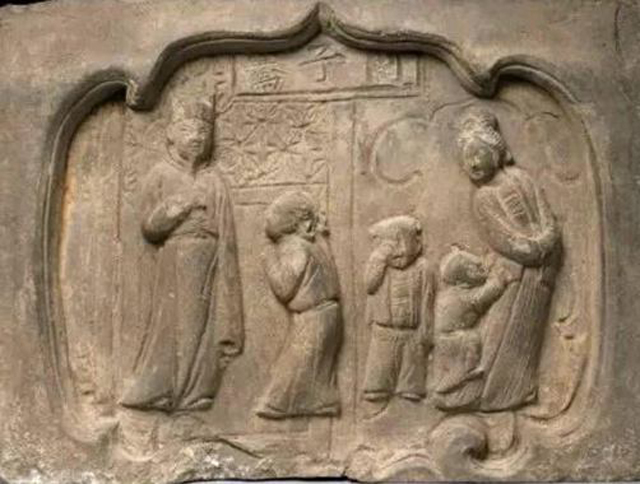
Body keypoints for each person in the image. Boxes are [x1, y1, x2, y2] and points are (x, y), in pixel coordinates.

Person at [119, 97, 244, 413]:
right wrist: (179, 207)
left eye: (203, 130)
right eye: (188, 129)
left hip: (211, 259)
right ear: (171, 134)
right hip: (176, 258)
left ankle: (197, 392)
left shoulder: (214, 179)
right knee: (174, 324)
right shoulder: (160, 175)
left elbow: (227, 231)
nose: (197, 136)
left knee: (206, 327)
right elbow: (149, 227)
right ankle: (163, 390)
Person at [456, 107, 562, 411]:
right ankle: (494, 395)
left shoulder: (521, 179)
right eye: (465, 158)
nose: (472, 163)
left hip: (540, 272)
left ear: (495, 152)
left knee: (529, 333)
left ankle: (522, 390)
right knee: (503, 334)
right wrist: (536, 249)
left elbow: (547, 217)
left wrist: (547, 240)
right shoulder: (483, 198)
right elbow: (504, 240)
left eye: (478, 154)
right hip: (513, 275)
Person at [256, 191, 342, 419]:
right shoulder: (314, 245)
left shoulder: (294, 246)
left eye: (275, 213)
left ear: (294, 222)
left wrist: (269, 261)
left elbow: (284, 289)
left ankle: (278, 405)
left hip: (313, 317)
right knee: (317, 366)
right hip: (327, 315)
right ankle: (323, 402)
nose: (268, 218)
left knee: (295, 364)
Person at [361, 215, 435, 416]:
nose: (399, 250)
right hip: (384, 334)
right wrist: (379, 257)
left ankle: (406, 419)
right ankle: (377, 417)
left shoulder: (423, 268)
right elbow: (370, 285)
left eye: (403, 241)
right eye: (391, 243)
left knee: (411, 390)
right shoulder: (380, 266)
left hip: (413, 336)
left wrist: (426, 333)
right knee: (377, 387)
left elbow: (427, 303)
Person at [433, 246, 506, 411]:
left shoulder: (448, 294)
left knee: (450, 366)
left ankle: (446, 383)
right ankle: (463, 376)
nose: (482, 269)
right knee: (468, 347)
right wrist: (499, 280)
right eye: (475, 268)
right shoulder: (464, 296)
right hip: (455, 338)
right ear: (462, 280)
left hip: (443, 340)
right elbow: (485, 296)